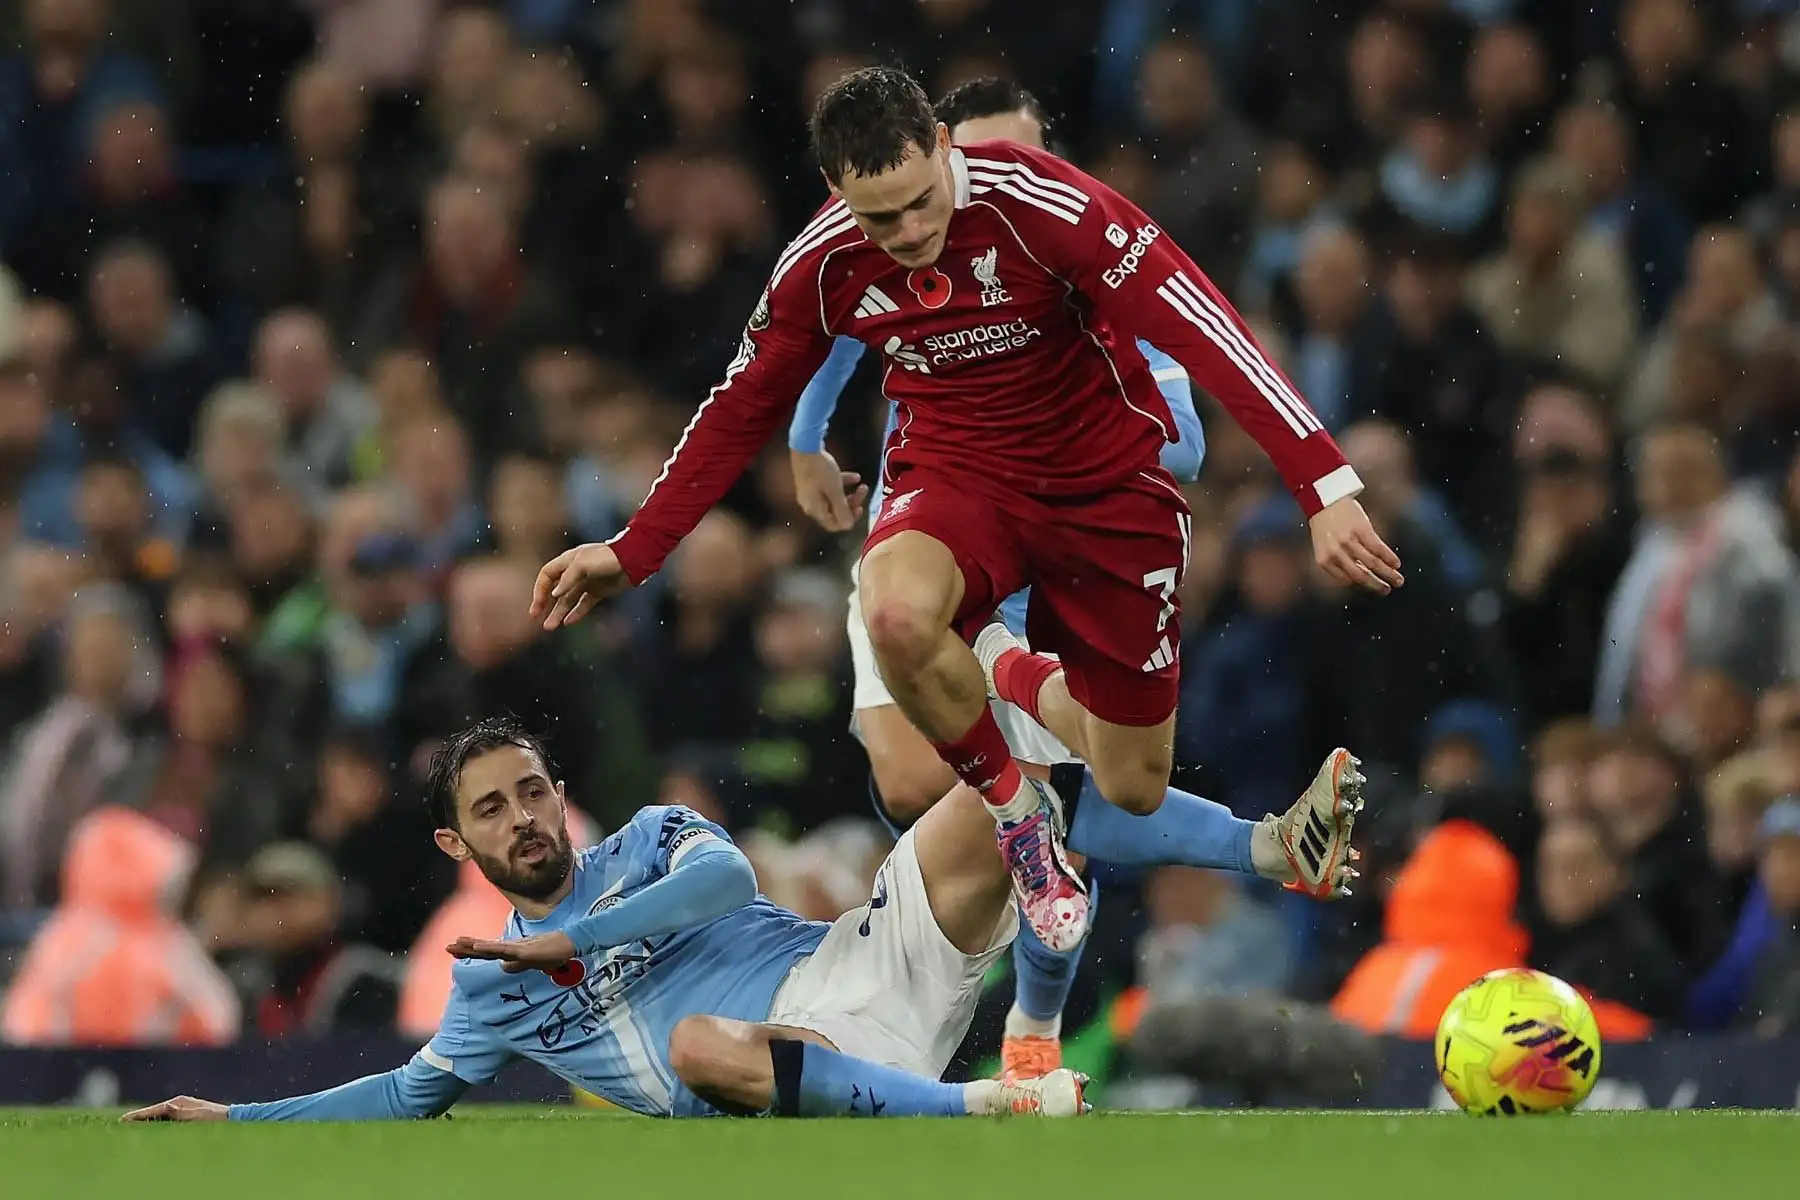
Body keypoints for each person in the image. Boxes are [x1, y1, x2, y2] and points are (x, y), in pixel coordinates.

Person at [530, 66, 1399, 957]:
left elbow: (1204, 324)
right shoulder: (824, 261)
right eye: (880, 217)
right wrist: (636, 550)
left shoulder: (1048, 204)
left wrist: (1323, 487)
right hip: (958, 478)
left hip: (1103, 489)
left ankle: (1016, 675)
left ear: (945, 147)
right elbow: (739, 403)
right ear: (836, 192)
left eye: (918, 203)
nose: (908, 234)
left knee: (1130, 782)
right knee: (895, 614)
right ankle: (1019, 823)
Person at [123, 717, 1364, 1123]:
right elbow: (407, 1093)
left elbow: (724, 889)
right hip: (779, 1064)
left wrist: (572, 941)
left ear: (560, 793)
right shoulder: (489, 985)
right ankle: (994, 1101)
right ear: (460, 845)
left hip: (858, 962)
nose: (524, 819)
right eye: (493, 812)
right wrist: (237, 1116)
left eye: (533, 791)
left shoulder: (654, 837)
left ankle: (1269, 847)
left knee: (1013, 791)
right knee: (701, 1047)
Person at [787, 77, 1208, 1084]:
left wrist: (1077, 441)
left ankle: (1034, 1019)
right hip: (935, 534)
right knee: (918, 778)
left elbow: (1185, 434)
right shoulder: (896, 246)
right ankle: (1033, 866)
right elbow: (829, 330)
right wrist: (806, 440)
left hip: (1058, 558)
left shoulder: (1081, 258)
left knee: (1101, 782)